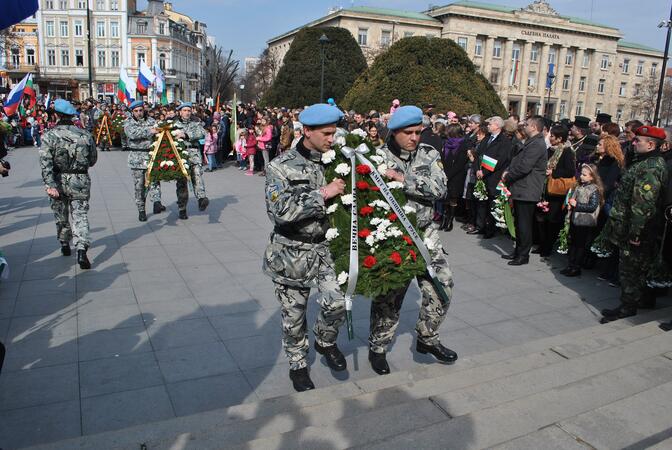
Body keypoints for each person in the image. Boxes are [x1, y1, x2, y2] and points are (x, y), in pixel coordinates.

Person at [262, 103, 348, 392]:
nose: (331, 139)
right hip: (291, 253)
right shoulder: (280, 166)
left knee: (337, 302)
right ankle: (298, 364)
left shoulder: (335, 160)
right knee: (294, 317)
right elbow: (279, 211)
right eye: (326, 133)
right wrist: (324, 193)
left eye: (334, 133)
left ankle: (324, 341)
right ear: (306, 131)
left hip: (326, 249)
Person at [369, 105, 457, 376]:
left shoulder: (428, 154)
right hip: (394, 236)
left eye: (418, 131)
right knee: (389, 298)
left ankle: (427, 337)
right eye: (409, 132)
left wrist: (402, 179)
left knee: (443, 287)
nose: (415, 137)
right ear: (394, 132)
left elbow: (440, 188)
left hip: (426, 233)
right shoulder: (377, 158)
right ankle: (378, 347)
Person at [600, 125, 669, 323]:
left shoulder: (651, 167)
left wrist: (636, 233)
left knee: (630, 269)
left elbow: (643, 204)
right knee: (636, 268)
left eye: (638, 140)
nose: (634, 142)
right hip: (631, 226)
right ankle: (637, 301)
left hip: (637, 229)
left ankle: (627, 307)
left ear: (650, 144)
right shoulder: (644, 162)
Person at [39, 99, 97, 269]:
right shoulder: (85, 135)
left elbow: (45, 163)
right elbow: (92, 160)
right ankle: (81, 249)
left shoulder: (49, 135)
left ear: (56, 115)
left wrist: (49, 184)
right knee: (80, 215)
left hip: (58, 180)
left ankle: (65, 243)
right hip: (80, 179)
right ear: (72, 116)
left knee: (61, 214)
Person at [501, 116, 548, 265]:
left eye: (527, 124)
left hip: (527, 189)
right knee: (519, 223)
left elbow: (525, 167)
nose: (524, 126)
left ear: (534, 127)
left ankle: (523, 255)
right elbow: (517, 161)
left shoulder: (537, 144)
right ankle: (518, 251)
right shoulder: (531, 142)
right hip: (521, 187)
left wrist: (508, 176)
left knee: (524, 224)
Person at [536, 125, 575, 257]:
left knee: (552, 220)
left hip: (556, 191)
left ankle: (547, 247)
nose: (550, 138)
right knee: (541, 218)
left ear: (559, 138)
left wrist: (554, 172)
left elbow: (570, 171)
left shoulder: (567, 151)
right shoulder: (550, 149)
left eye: (552, 136)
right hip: (544, 188)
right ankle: (541, 244)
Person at [471, 116, 512, 238]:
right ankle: (480, 226)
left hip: (493, 176)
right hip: (482, 174)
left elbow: (500, 160)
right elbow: (478, 155)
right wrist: (478, 169)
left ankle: (490, 229)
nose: (488, 126)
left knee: (491, 203)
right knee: (482, 202)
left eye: (490, 124)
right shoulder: (487, 138)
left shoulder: (504, 141)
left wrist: (485, 171)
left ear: (497, 126)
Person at [561, 164, 603, 277]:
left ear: (592, 177)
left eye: (584, 175)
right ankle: (570, 265)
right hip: (576, 219)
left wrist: (577, 205)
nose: (581, 176)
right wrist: (570, 204)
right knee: (573, 243)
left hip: (585, 221)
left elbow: (593, 206)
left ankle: (576, 267)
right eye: (581, 173)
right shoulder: (580, 186)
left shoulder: (594, 189)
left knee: (580, 245)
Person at [173, 102, 209, 213]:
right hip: (180, 154)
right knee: (182, 182)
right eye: (184, 110)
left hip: (194, 153)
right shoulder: (174, 124)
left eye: (189, 110)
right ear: (180, 112)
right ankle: (182, 207)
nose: (187, 113)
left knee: (197, 176)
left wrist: (186, 135)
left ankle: (201, 198)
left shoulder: (196, 122)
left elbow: (202, 133)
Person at [441, 123, 467, 231]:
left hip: (456, 175)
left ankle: (450, 220)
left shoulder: (463, 144)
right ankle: (444, 219)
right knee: (445, 198)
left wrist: (449, 175)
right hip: (445, 172)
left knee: (453, 197)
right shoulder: (446, 143)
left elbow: (460, 163)